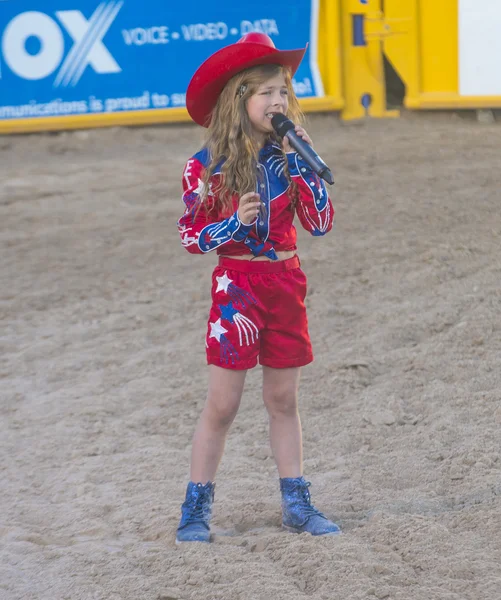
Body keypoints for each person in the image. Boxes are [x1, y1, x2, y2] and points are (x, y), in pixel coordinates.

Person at [175, 32, 340, 543]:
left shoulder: (292, 155)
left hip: (285, 283)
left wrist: (306, 167)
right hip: (236, 288)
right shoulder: (204, 167)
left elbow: (320, 224)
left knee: (283, 399)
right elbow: (190, 235)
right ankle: (195, 510)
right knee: (223, 405)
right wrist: (233, 225)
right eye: (265, 92)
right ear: (238, 99)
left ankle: (296, 503)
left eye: (283, 92)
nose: (276, 102)